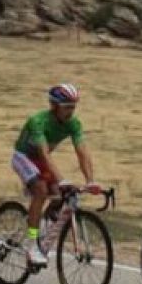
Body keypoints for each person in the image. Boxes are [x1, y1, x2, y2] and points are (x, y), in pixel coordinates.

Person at [10, 85, 103, 269]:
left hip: (40, 160)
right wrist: (61, 179)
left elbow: (82, 152)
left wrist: (90, 181)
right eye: (66, 107)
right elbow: (44, 154)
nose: (70, 111)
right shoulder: (38, 121)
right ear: (54, 106)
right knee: (41, 190)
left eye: (73, 107)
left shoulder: (73, 124)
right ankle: (32, 243)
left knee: (61, 196)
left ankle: (41, 227)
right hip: (23, 157)